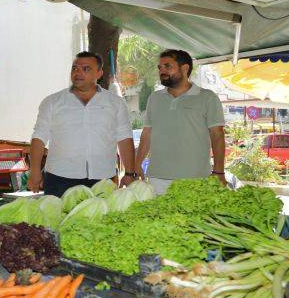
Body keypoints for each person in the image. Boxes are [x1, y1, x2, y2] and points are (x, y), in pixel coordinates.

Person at [27, 52, 136, 197]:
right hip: (59, 179)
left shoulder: (115, 103)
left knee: (101, 220)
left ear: (99, 73)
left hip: (103, 180)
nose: (78, 73)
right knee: (58, 219)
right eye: (75, 68)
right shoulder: (52, 102)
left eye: (85, 69)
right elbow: (39, 138)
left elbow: (124, 138)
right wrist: (34, 172)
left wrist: (129, 172)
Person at [135, 49, 226, 195]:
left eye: (167, 66)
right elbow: (147, 134)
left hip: (195, 178)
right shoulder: (154, 98)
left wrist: (219, 172)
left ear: (185, 68)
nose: (162, 71)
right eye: (160, 68)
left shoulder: (207, 97)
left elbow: (218, 136)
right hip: (157, 178)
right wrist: (137, 163)